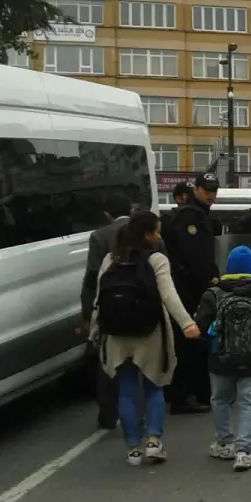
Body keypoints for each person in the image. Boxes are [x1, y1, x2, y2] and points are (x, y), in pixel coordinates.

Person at [91, 211, 201, 465]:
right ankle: (153, 441)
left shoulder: (111, 259)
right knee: (154, 386)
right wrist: (187, 324)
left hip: (117, 335)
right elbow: (169, 296)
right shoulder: (157, 259)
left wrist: (95, 331)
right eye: (156, 231)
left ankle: (133, 448)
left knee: (127, 391)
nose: (159, 235)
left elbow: (99, 298)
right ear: (147, 234)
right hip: (150, 332)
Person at [195, 245, 251, 470]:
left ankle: (225, 443)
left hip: (220, 358)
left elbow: (201, 326)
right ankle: (245, 451)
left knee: (221, 399)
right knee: (248, 402)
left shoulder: (213, 293)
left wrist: (213, 344)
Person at [162, 172, 221, 415]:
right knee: (189, 343)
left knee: (194, 343)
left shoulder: (200, 215)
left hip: (193, 289)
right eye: (207, 189)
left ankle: (193, 393)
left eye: (214, 190)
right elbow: (194, 258)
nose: (211, 194)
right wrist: (210, 281)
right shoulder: (190, 216)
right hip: (190, 290)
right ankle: (183, 396)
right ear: (195, 189)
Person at [81, 193, 135, 429]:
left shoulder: (99, 236)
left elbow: (92, 277)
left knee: (107, 361)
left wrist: (87, 312)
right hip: (142, 305)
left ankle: (108, 414)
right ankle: (138, 413)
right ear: (131, 210)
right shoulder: (146, 232)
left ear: (107, 213)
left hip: (110, 306)